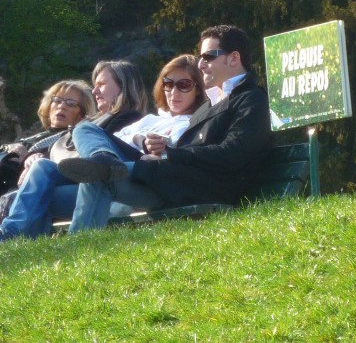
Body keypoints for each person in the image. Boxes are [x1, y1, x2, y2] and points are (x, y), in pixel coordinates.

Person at [58, 24, 272, 232]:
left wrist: (170, 155)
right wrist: (159, 149)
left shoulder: (252, 99)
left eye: (209, 57)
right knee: (85, 130)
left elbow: (233, 153)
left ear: (234, 58)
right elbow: (189, 149)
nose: (201, 65)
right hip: (171, 179)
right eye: (200, 58)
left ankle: (101, 174)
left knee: (101, 173)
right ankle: (102, 159)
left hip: (204, 187)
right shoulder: (210, 104)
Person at [0, 60, 148, 240]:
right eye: (94, 86)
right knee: (41, 169)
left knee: (36, 195)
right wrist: (33, 156)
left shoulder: (129, 118)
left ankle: (15, 237)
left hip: (111, 183)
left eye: (101, 85)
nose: (95, 91)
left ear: (122, 86)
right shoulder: (94, 122)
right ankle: (10, 234)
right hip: (81, 178)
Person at [0, 79, 96, 194]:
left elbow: (63, 165)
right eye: (57, 100)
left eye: (71, 103)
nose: (62, 106)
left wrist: (28, 156)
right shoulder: (35, 138)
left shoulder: (75, 139)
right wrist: (13, 148)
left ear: (82, 115)